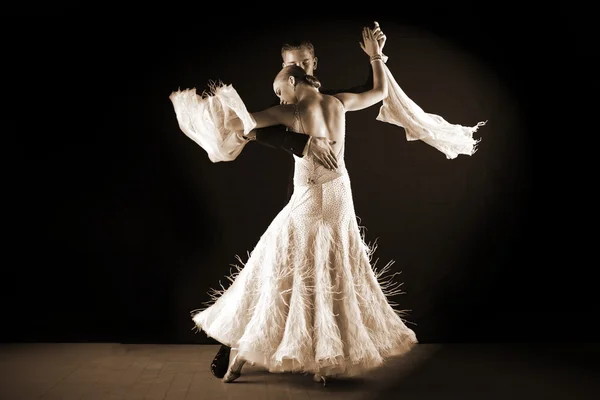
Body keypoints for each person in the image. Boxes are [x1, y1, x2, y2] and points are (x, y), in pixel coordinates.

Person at [189, 26, 418, 385]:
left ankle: (244, 353)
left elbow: (243, 125)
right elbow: (379, 92)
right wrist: (375, 56)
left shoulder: (292, 109)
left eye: (281, 91)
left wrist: (217, 112)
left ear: (300, 75)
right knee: (330, 265)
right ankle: (323, 357)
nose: (279, 98)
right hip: (340, 193)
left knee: (274, 265)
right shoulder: (338, 101)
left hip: (312, 197)